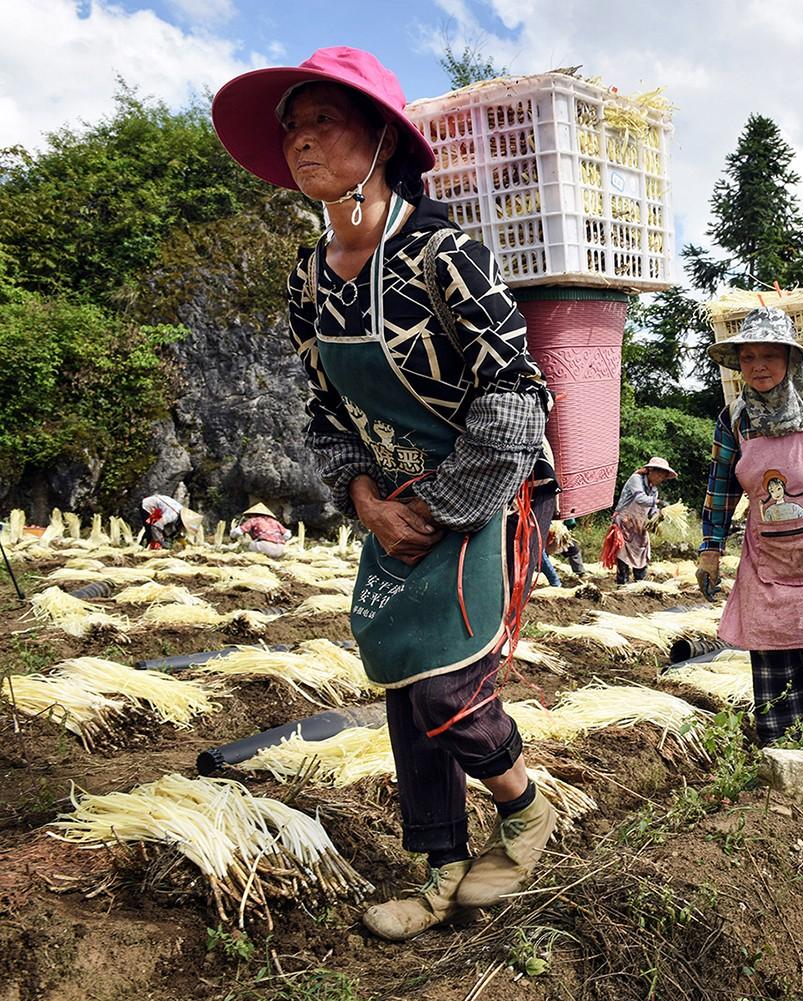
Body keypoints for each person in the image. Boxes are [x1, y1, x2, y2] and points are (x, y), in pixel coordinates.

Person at [214, 47, 559, 943]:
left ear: (381, 139)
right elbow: (322, 408)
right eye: (291, 128)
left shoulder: (443, 256)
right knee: (403, 688)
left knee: (446, 683)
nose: (300, 142)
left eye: (322, 121)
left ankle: (523, 809)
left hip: (478, 493)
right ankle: (442, 869)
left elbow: (521, 394)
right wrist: (366, 500)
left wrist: (440, 509)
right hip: (387, 504)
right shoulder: (308, 280)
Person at [695, 307, 803, 744]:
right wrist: (710, 549)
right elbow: (720, 487)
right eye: (749, 357)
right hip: (766, 559)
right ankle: (778, 751)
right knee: (771, 657)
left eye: (770, 355)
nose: (758, 367)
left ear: (791, 360)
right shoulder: (734, 420)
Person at [611, 457, 675, 584]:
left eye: (663, 477)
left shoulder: (654, 490)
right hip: (624, 523)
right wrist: (659, 501)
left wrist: (660, 514)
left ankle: (640, 584)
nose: (661, 479)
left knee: (642, 553)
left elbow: (651, 510)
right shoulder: (636, 479)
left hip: (639, 526)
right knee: (623, 554)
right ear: (652, 471)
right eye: (660, 475)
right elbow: (640, 498)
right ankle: (622, 583)